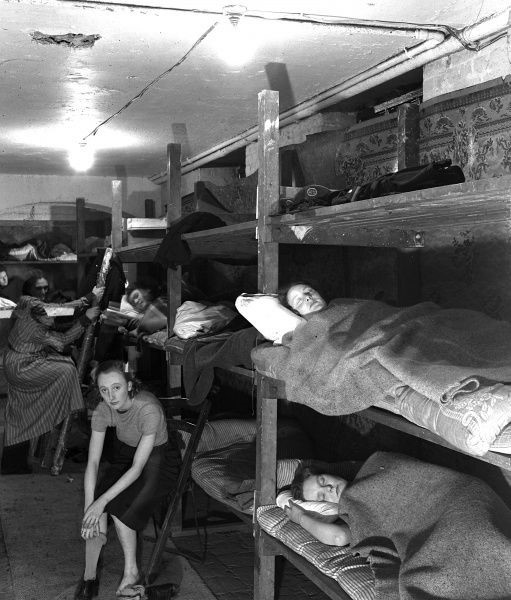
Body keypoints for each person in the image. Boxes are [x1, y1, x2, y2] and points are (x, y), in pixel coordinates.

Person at [286, 452, 511, 599]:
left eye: (323, 481)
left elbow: (425, 480)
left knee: (479, 539)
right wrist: (301, 518)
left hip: (461, 495)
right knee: (427, 577)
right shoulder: (353, 510)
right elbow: (337, 538)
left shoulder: (376, 463)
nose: (328, 490)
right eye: (322, 498)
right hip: (445, 525)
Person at [75, 360, 180, 600]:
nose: (110, 396)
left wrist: (100, 502)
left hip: (158, 460)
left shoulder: (148, 409)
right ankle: (90, 575)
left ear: (129, 385)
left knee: (118, 506)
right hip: (128, 454)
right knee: (99, 501)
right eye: (104, 390)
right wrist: (89, 507)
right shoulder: (103, 409)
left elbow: (137, 468)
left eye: (116, 388)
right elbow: (92, 462)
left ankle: (131, 572)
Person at [1, 277, 103, 474]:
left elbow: (60, 334)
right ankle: (69, 406)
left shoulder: (35, 311)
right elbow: (55, 314)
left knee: (20, 412)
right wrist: (88, 302)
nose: (43, 291)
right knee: (67, 370)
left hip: (19, 361)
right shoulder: (30, 303)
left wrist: (82, 317)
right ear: (30, 291)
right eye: (38, 288)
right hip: (21, 366)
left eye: (46, 287)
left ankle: (13, 464)